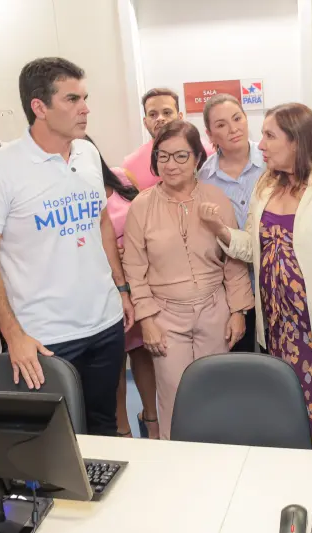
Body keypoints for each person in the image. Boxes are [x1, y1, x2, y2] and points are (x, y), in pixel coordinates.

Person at [0, 57, 134, 437]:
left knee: (104, 425)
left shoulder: (87, 153)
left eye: (85, 98)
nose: (85, 108)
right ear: (39, 107)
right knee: (55, 439)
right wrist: (13, 335)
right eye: (72, 99)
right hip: (45, 336)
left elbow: (101, 222)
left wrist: (120, 288)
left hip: (105, 321)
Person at [199, 103, 312, 452]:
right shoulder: (267, 184)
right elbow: (255, 248)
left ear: (296, 140)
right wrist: (220, 229)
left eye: (270, 136)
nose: (260, 144)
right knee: (289, 412)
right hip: (280, 329)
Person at [122, 120, 253, 440]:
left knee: (217, 391)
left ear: (197, 158)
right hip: (165, 315)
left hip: (214, 309)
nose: (171, 164)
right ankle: (175, 458)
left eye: (181, 156)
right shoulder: (141, 206)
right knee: (173, 394)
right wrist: (147, 320)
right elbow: (134, 268)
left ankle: (219, 456)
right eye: (163, 156)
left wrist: (238, 311)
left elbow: (233, 262)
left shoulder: (216, 198)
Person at [85, 135, 160, 439]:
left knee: (144, 353)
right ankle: (123, 430)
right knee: (113, 362)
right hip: (103, 285)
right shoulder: (71, 192)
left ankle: (151, 420)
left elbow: (145, 218)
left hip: (140, 279)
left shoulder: (121, 177)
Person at [198, 94, 266, 353]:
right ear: (210, 135)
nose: (233, 128)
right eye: (221, 124)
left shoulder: (272, 161)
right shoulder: (204, 177)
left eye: (237, 118)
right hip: (233, 284)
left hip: (275, 276)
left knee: (278, 357)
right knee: (241, 356)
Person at [122, 88, 213, 191]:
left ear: (180, 117)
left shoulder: (209, 153)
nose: (160, 118)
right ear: (145, 122)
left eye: (167, 112)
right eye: (152, 114)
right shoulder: (131, 165)